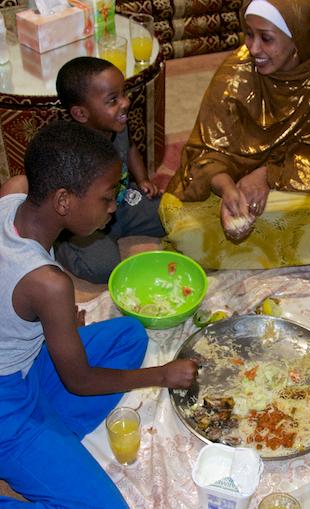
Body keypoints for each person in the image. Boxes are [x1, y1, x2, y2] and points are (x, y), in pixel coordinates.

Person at [0, 120, 197, 508]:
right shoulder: (49, 285)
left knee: (130, 335)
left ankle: (49, 445)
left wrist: (46, 325)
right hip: (6, 401)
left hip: (25, 366)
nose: (113, 208)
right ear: (63, 201)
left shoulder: (14, 191)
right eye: (107, 198)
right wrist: (162, 375)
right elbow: (81, 382)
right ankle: (34, 448)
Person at [159, 0, 310, 270]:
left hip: (296, 180)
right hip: (238, 177)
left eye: (266, 39)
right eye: (249, 34)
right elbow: (206, 152)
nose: (253, 48)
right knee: (178, 217)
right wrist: (227, 190)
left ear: (296, 39)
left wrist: (267, 176)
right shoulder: (237, 72)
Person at [0, 56, 165, 284]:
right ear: (80, 113)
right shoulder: (71, 151)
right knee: (103, 268)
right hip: (85, 220)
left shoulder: (118, 125)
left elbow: (130, 150)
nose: (125, 102)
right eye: (112, 99)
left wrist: (143, 179)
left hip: (122, 201)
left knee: (168, 212)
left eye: (123, 93)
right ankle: (63, 242)